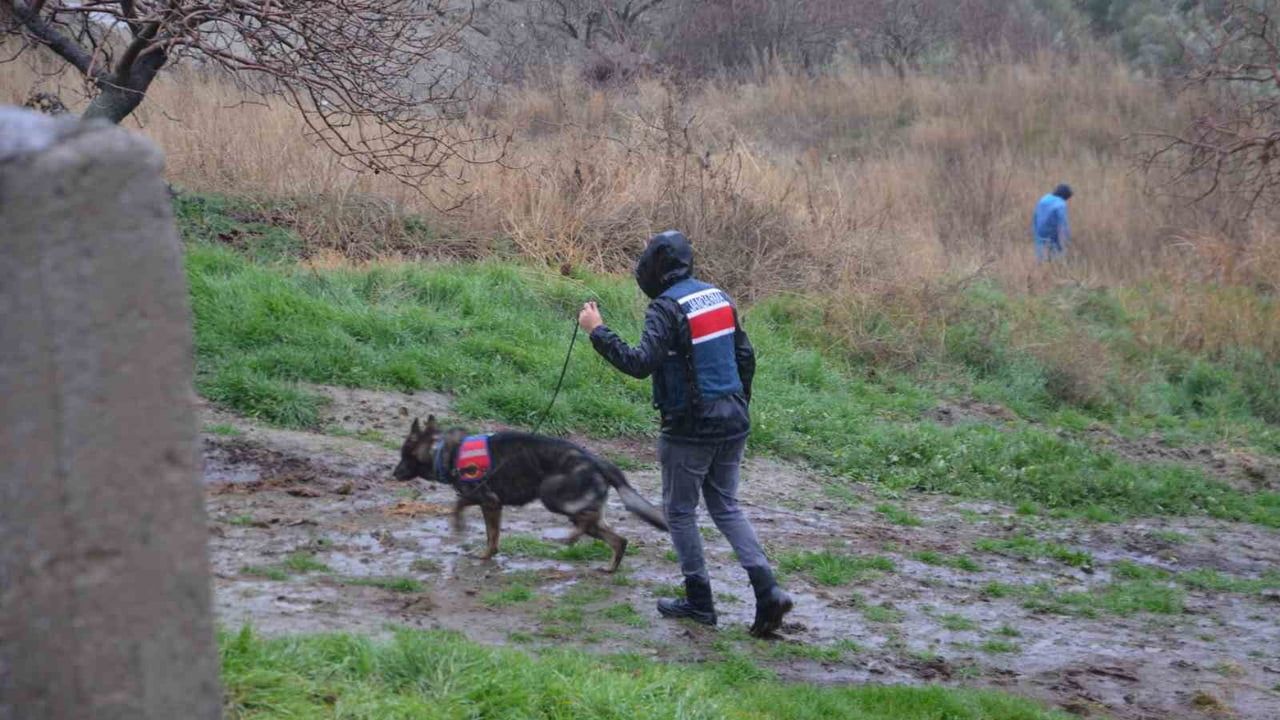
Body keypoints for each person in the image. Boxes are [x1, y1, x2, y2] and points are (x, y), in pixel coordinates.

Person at [577, 230, 793, 637]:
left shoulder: (666, 307)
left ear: (654, 269)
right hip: (733, 420)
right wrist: (738, 402)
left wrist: (596, 330)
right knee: (726, 506)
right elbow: (745, 356)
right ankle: (769, 592)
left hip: (691, 429)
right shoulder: (718, 296)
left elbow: (640, 362)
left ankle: (699, 601)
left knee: (679, 511)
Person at [1033, 184, 1073, 262]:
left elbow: (1035, 216)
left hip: (1039, 234)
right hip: (1053, 237)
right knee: (1054, 260)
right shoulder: (1060, 205)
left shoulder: (1043, 199)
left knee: (1041, 258)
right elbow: (1062, 225)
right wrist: (1066, 242)